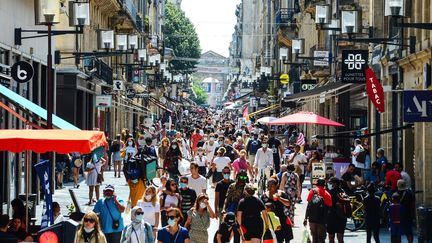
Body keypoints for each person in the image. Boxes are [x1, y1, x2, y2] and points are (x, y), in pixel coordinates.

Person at [261, 178, 293, 243]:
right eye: (268, 186)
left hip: (280, 220)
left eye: (271, 186)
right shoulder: (264, 196)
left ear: (276, 186)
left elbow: (288, 203)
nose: (269, 188)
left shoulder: (281, 194)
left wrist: (279, 198)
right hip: (268, 220)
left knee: (279, 239)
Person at [303, 178, 332, 243]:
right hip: (322, 220)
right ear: (324, 185)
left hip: (312, 219)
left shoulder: (312, 191)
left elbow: (308, 206)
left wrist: (305, 218)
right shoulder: (327, 194)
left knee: (314, 238)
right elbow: (330, 206)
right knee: (321, 238)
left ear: (317, 184)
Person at [326, 177, 347, 243]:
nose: (329, 184)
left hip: (331, 217)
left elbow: (326, 205)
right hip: (342, 217)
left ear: (334, 184)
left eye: (330, 183)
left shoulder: (330, 193)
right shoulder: (343, 192)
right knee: (340, 238)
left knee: (331, 238)